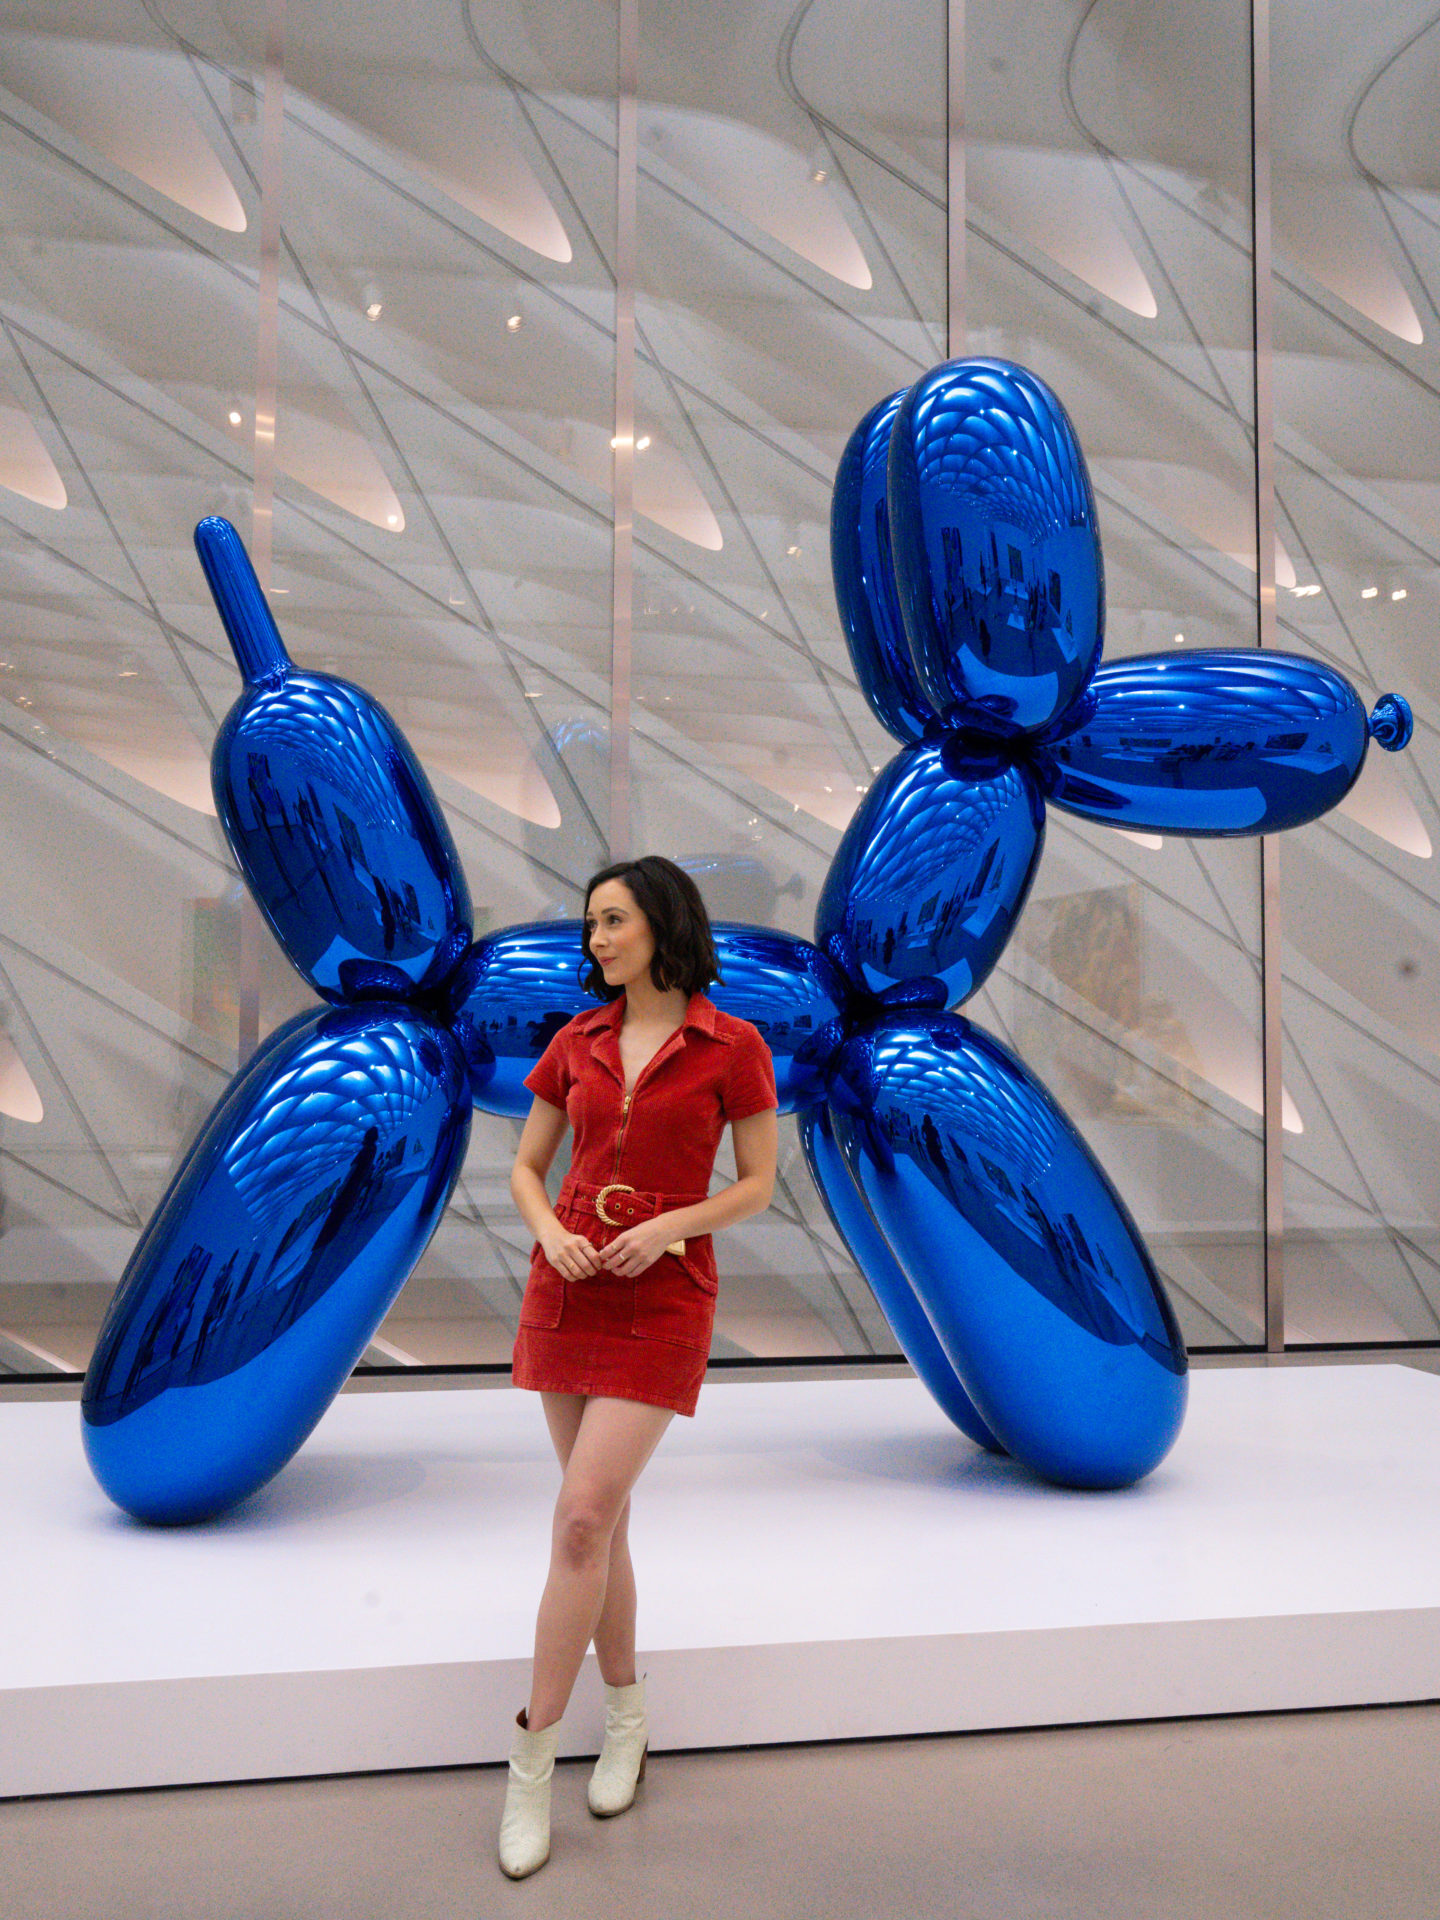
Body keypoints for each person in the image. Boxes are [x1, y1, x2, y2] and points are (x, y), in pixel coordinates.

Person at [498, 855, 779, 1879]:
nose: (597, 940)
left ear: (663, 923)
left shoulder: (732, 1046)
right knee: (599, 1523)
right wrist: (550, 1234)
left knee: (581, 1517)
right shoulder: (576, 1040)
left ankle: (530, 1761)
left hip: (663, 1293)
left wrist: (669, 1227)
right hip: (568, 1284)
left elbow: (757, 1184)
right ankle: (625, 1718)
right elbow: (526, 1167)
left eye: (613, 920)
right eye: (592, 925)